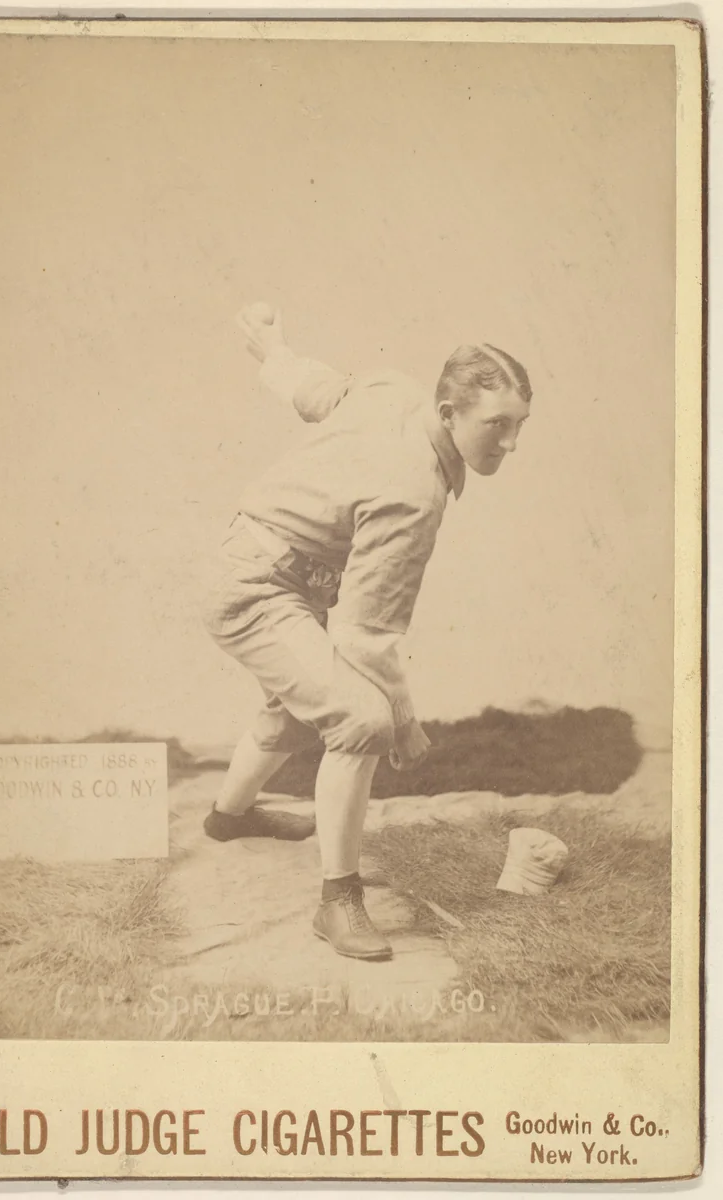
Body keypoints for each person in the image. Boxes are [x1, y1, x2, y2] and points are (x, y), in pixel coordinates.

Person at [200, 304, 532, 961]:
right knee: (361, 717)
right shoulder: (414, 492)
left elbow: (314, 388)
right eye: (495, 424)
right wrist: (404, 722)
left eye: (519, 426)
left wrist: (272, 348)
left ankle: (228, 816)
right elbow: (363, 636)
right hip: (256, 588)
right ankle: (338, 900)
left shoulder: (393, 387)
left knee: (302, 700)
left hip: (263, 569)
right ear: (447, 413)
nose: (509, 443)